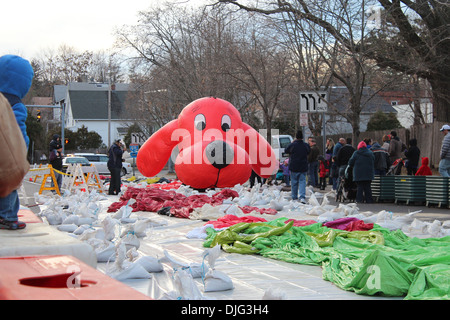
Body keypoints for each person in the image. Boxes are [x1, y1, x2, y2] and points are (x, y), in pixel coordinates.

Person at [0, 55, 34, 230]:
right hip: (6, 152)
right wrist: (23, 149)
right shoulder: (14, 104)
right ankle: (7, 216)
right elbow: (18, 129)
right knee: (9, 184)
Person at [285, 130, 310, 203]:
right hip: (303, 166)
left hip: (294, 166)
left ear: (296, 137)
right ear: (302, 137)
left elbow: (286, 150)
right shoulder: (305, 145)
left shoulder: (292, 145)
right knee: (302, 182)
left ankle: (294, 197)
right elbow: (309, 151)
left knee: (294, 182)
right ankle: (302, 197)